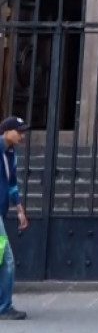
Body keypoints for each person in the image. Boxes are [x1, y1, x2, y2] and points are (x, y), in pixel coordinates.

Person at [0, 116, 29, 321]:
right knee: (7, 260)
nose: (22, 135)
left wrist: (19, 209)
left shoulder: (11, 154)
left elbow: (12, 183)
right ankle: (4, 307)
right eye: (18, 131)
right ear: (6, 131)